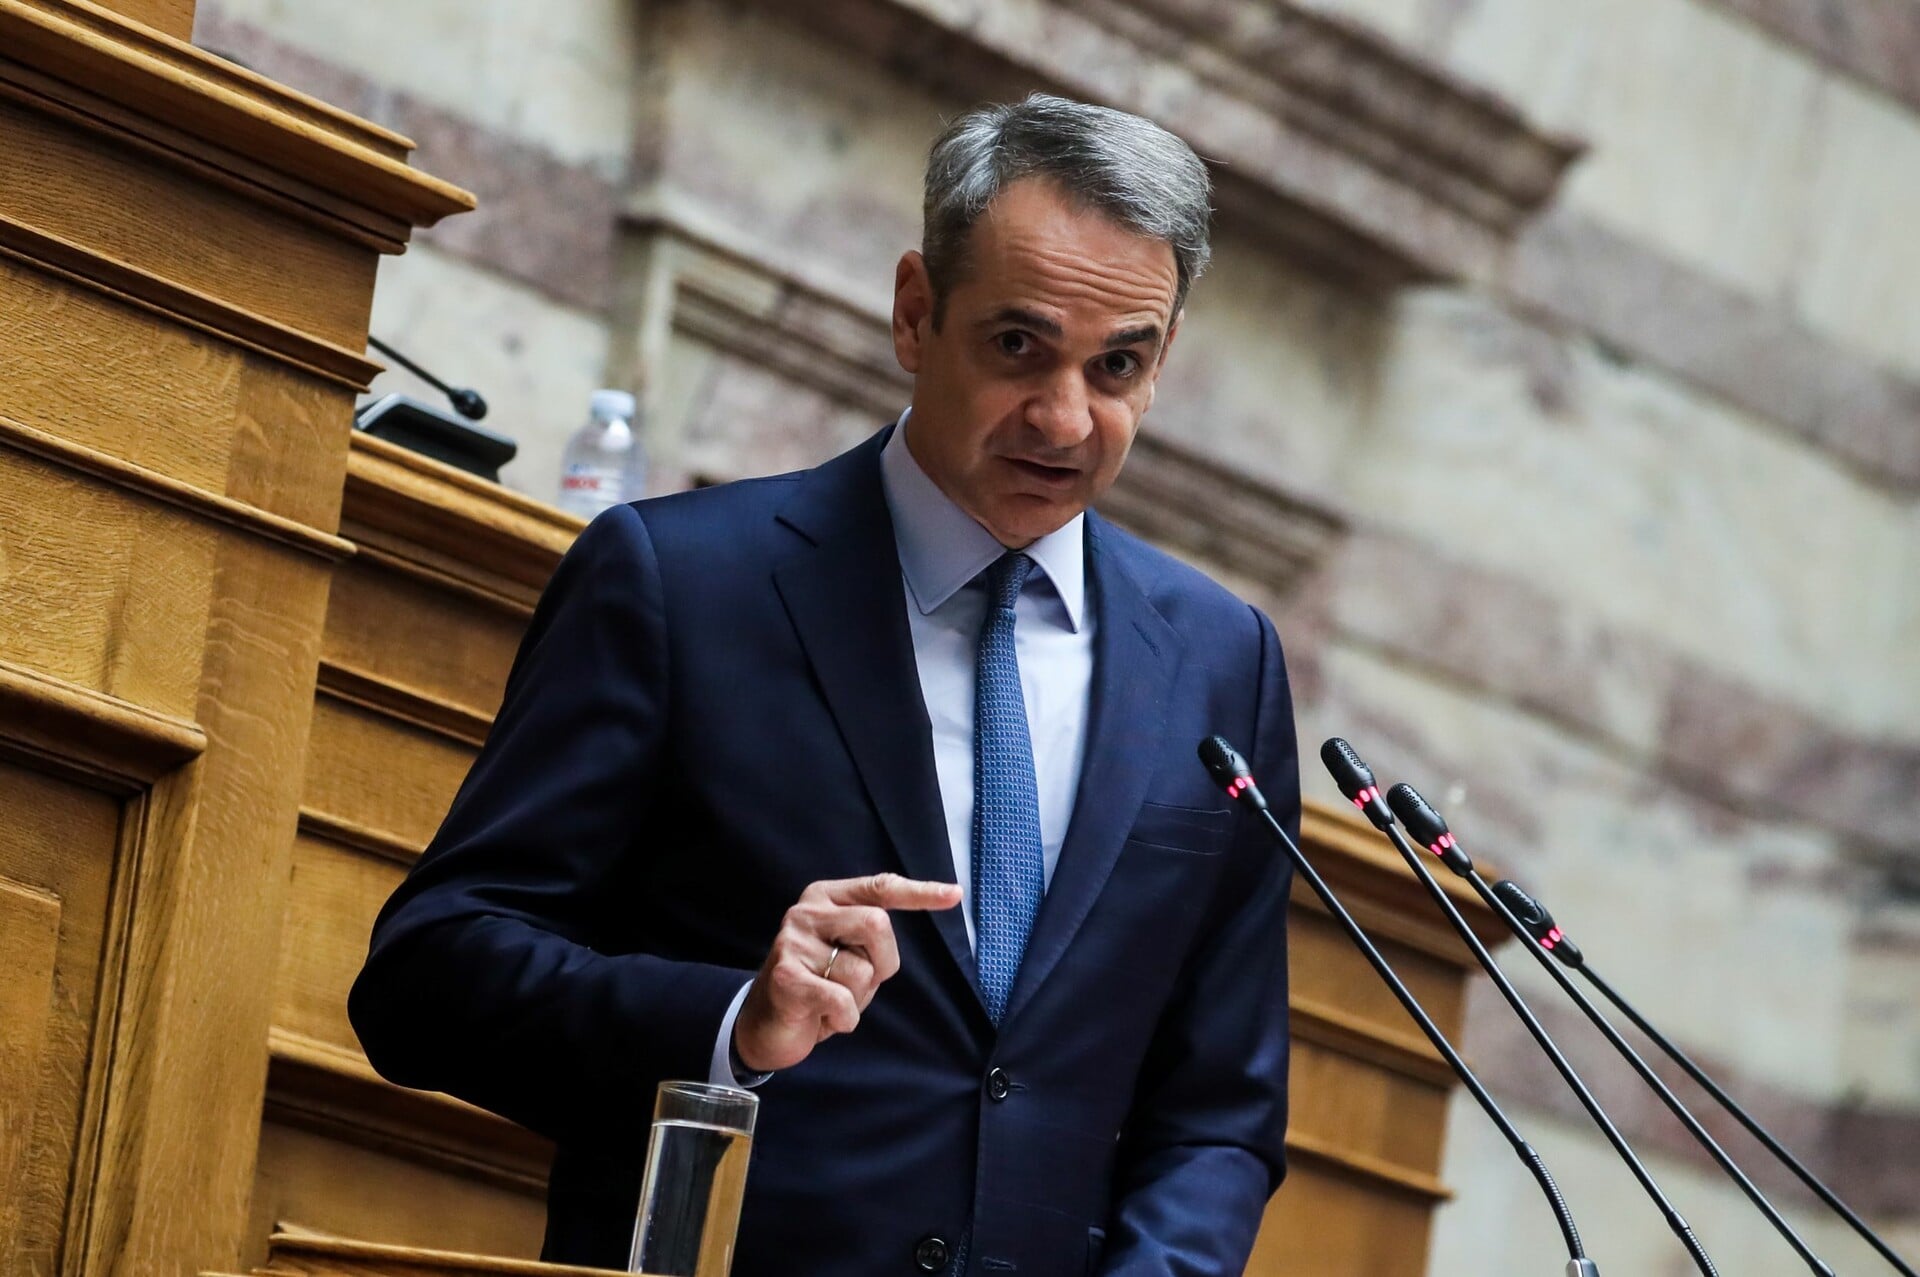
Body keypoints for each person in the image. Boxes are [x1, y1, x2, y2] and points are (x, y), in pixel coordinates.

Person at [350, 93, 1301, 1276]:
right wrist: (729, 1020)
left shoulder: (1222, 659)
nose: (1066, 419)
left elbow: (1219, 1110)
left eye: (1118, 365)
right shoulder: (680, 583)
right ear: (915, 312)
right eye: (1018, 346)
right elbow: (428, 975)